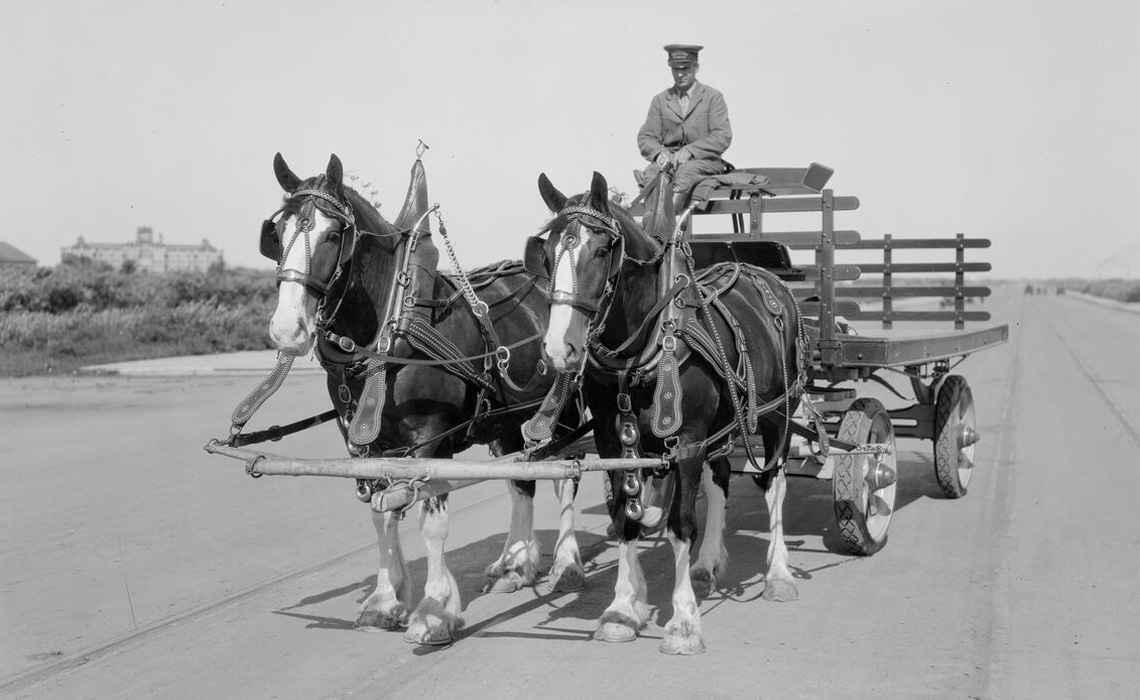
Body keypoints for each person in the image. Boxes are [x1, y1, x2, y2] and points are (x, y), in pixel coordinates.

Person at [636, 44, 733, 214]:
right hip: (669, 162)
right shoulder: (660, 100)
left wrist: (691, 151)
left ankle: (664, 230)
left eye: (685, 68)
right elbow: (646, 136)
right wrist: (659, 153)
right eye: (675, 69)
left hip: (704, 162)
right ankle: (651, 228)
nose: (680, 74)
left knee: (685, 173)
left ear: (696, 67)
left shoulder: (712, 97)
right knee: (652, 173)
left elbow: (722, 136)